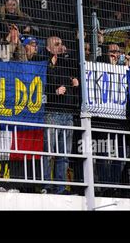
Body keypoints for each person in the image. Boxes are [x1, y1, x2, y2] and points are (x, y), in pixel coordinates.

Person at [42, 36, 79, 194]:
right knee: (48, 152)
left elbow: (76, 71)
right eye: (56, 44)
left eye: (61, 44)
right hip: (51, 112)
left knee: (64, 154)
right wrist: (54, 92)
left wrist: (75, 85)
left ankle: (61, 187)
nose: (60, 46)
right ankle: (46, 186)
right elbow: (39, 86)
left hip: (67, 114)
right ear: (49, 48)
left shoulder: (66, 64)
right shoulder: (43, 64)